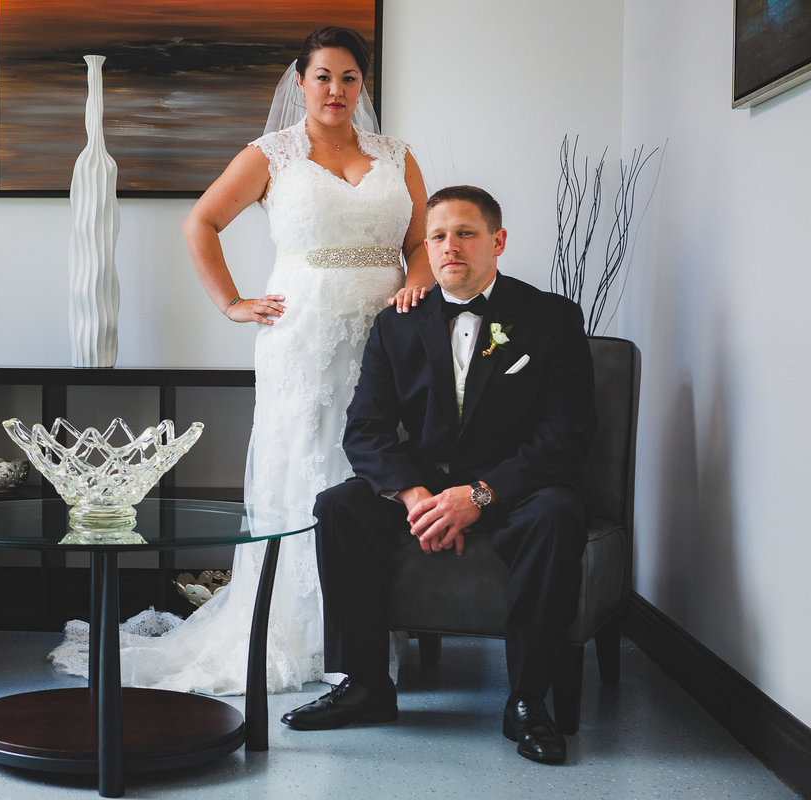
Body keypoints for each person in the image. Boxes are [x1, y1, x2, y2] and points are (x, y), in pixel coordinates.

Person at [46, 26, 434, 695]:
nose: (336, 90)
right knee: (307, 472)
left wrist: (417, 283)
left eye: (348, 77)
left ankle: (372, 632)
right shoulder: (272, 154)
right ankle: (296, 631)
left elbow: (421, 237)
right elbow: (201, 221)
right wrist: (231, 302)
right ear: (300, 82)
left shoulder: (397, 155)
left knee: (372, 471)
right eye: (323, 77)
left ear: (362, 85)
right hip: (304, 340)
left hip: (388, 339)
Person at [281, 185, 597, 765]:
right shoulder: (397, 324)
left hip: (516, 488)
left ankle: (526, 699)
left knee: (558, 514)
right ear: (426, 247)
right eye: (438, 236)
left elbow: (566, 436)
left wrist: (478, 495)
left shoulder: (551, 317)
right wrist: (419, 497)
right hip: (425, 487)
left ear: (497, 241)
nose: (451, 246)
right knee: (339, 506)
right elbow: (366, 431)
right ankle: (367, 685)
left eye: (466, 233)